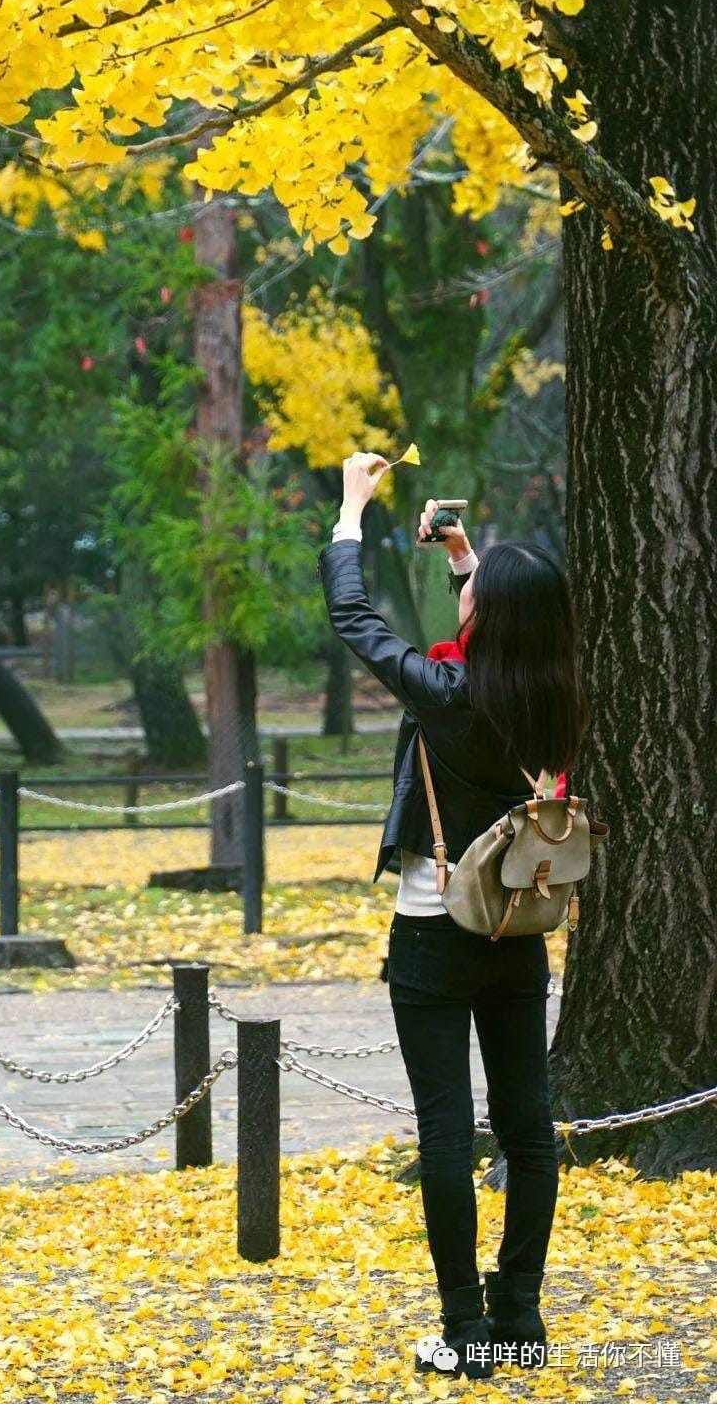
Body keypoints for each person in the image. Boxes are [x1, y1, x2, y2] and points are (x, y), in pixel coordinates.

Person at [318, 451, 590, 1383]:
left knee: (445, 1130)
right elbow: (503, 634)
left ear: (485, 623)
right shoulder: (558, 696)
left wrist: (351, 513)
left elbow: (356, 620)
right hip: (519, 928)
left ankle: (465, 1330)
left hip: (435, 929)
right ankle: (521, 1318)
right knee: (527, 1125)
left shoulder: (446, 695)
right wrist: (467, 559)